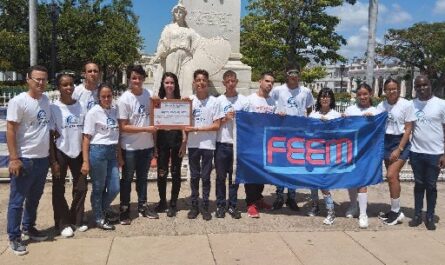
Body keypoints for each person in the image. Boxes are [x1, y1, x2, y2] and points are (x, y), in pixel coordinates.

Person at [6, 65, 51, 255]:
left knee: (34, 198)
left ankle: (29, 227)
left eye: (44, 79)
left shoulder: (46, 100)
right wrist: (14, 158)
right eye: (37, 79)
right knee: (17, 201)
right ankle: (14, 237)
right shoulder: (18, 102)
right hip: (25, 159)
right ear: (28, 79)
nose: (40, 83)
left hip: (42, 159)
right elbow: (10, 130)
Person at [117, 65, 158, 225]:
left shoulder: (148, 95)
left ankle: (142, 206)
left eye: (140, 78)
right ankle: (125, 209)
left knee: (142, 179)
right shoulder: (124, 99)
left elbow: (155, 117)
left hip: (146, 146)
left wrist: (154, 145)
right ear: (129, 79)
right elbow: (123, 126)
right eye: (134, 78)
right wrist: (145, 129)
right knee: (126, 180)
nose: (137, 81)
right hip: (130, 148)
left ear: (144, 79)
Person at [49, 73, 88, 238]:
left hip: (78, 152)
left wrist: (86, 158)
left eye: (71, 84)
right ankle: (62, 223)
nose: (69, 88)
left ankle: (75, 218)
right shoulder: (54, 108)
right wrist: (53, 161)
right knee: (59, 189)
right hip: (61, 152)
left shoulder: (81, 106)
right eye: (65, 85)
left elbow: (86, 133)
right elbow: (50, 136)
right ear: (59, 87)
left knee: (81, 188)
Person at [270, 66, 314, 211]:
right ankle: (279, 196)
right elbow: (270, 106)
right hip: (281, 134)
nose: (294, 76)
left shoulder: (306, 91)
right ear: (286, 75)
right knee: (280, 165)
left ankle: (292, 197)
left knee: (294, 166)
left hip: (298, 135)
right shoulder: (277, 90)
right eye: (291, 73)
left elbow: (309, 109)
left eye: (296, 73)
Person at [81, 83, 123, 230]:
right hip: (98, 151)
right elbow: (86, 138)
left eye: (109, 96)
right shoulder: (93, 113)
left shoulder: (114, 110)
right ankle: (99, 217)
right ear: (98, 97)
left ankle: (100, 209)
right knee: (98, 187)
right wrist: (85, 161)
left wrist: (119, 155)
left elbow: (117, 135)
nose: (106, 99)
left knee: (114, 187)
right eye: (103, 96)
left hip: (112, 151)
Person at [376, 78, 416, 225]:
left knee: (391, 175)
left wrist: (399, 149)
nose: (392, 91)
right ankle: (394, 210)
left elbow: (408, 128)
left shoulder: (406, 104)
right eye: (389, 89)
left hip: (400, 142)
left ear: (399, 89)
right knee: (394, 179)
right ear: (385, 91)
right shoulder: (382, 105)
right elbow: (375, 122)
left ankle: (397, 211)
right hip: (386, 140)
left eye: (394, 89)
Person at [185, 69, 222, 221]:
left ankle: (205, 206)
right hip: (193, 144)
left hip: (208, 144)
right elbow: (183, 123)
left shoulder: (214, 101)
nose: (201, 83)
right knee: (194, 177)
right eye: (198, 80)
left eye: (203, 80)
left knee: (206, 177)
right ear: (194, 83)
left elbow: (216, 125)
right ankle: (194, 205)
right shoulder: (188, 100)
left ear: (207, 83)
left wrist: (197, 129)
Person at [408, 75, 445, 230]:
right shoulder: (412, 105)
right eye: (418, 86)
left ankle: (430, 215)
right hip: (416, 152)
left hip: (435, 153)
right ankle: (417, 214)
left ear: (430, 85)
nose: (422, 88)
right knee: (419, 184)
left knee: (431, 185)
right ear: (415, 88)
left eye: (424, 85)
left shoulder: (441, 104)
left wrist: (444, 153)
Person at [343, 83, 381, 229]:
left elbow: (380, 131)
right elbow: (344, 128)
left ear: (370, 94)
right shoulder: (351, 109)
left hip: (367, 151)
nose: (362, 97)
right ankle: (353, 205)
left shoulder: (375, 111)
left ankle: (363, 213)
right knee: (351, 180)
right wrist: (344, 118)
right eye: (359, 94)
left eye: (365, 94)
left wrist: (372, 120)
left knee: (362, 182)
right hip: (351, 150)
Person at [214, 70, 249, 219]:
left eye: (232, 81)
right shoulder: (218, 101)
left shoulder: (244, 101)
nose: (230, 84)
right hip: (222, 143)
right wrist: (225, 119)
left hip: (238, 144)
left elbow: (249, 123)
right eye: (227, 81)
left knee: (234, 178)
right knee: (221, 177)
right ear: (223, 83)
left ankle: (232, 205)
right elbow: (214, 123)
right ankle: (221, 205)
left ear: (236, 82)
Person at [155, 72, 187, 217]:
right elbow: (155, 126)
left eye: (172, 83)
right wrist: (154, 145)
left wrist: (184, 142)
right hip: (162, 140)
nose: (169, 85)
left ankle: (173, 203)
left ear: (175, 85)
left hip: (176, 140)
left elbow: (184, 125)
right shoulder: (157, 102)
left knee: (175, 172)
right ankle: (162, 201)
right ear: (163, 84)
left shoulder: (181, 102)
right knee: (162, 172)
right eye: (167, 82)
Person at [244, 72, 276, 218]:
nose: (269, 84)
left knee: (262, 175)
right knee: (251, 175)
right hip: (251, 144)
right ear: (260, 81)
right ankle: (250, 203)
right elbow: (241, 119)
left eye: (272, 82)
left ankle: (259, 199)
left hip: (266, 145)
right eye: (267, 81)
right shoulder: (249, 100)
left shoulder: (273, 102)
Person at [151, 1, 200, 96]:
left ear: (184, 14)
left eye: (181, 12)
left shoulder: (190, 31)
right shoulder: (168, 28)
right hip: (172, 55)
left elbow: (198, 43)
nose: (178, 14)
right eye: (176, 12)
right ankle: (169, 100)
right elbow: (162, 43)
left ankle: (185, 101)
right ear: (173, 14)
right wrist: (159, 54)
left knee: (187, 80)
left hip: (187, 58)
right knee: (171, 79)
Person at [307, 87, 341, 225]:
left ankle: (331, 211)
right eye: (322, 96)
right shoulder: (313, 115)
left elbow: (341, 134)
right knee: (313, 181)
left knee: (323, 182)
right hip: (314, 151)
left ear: (331, 99)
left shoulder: (336, 115)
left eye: (327, 96)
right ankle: (315, 205)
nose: (324, 98)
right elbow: (307, 132)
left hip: (329, 153)